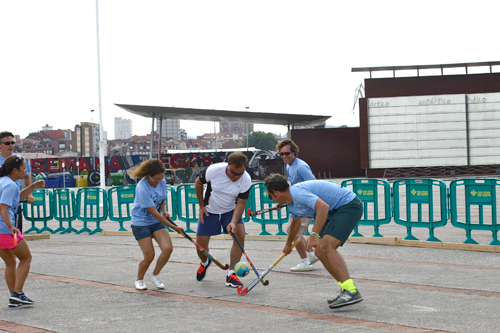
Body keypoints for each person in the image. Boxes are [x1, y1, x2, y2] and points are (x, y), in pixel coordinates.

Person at [264, 173, 364, 309]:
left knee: (327, 246)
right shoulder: (291, 203)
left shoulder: (297, 193)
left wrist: (314, 234)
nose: (271, 199)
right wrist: (288, 245)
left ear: (275, 192)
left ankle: (351, 291)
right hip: (334, 211)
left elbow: (322, 207)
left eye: (270, 196)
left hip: (348, 206)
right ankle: (346, 289)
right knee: (320, 251)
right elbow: (295, 223)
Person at [194, 152, 251, 288]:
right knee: (200, 247)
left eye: (240, 174)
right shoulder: (214, 170)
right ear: (228, 165)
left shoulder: (246, 179)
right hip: (210, 210)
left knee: (240, 234)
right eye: (233, 173)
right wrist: (201, 206)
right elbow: (198, 183)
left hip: (230, 211)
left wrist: (233, 222)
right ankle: (205, 262)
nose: (236, 177)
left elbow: (241, 204)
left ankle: (231, 274)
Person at [129, 159, 184, 290]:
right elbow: (153, 212)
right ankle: (139, 280)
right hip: (141, 223)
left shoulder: (162, 182)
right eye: (155, 179)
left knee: (167, 249)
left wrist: (164, 211)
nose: (158, 181)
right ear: (148, 175)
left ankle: (155, 275)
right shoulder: (142, 188)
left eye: (161, 178)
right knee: (149, 255)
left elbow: (162, 199)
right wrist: (174, 227)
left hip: (156, 221)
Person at [0, 155, 45, 307]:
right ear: (15, 170)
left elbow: (16, 198)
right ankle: (17, 293)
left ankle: (15, 296)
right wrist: (11, 227)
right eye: (24, 168)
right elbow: (3, 208)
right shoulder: (10, 185)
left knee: (11, 262)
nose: (26, 171)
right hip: (6, 230)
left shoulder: (4, 182)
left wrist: (32, 187)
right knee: (26, 258)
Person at [276, 139, 318, 272]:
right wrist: (283, 200)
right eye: (281, 154)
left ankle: (306, 261)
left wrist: (309, 203)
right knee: (293, 231)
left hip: (305, 206)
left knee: (294, 232)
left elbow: (314, 184)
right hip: (297, 206)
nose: (284, 156)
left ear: (294, 152)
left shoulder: (301, 167)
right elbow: (293, 188)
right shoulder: (289, 165)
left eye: (287, 153)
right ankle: (310, 256)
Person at [0, 132, 34, 234]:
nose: (10, 145)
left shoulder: (19, 159)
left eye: (12, 142)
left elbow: (26, 176)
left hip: (14, 202)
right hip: (2, 202)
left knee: (16, 235)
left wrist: (29, 194)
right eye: (7, 143)